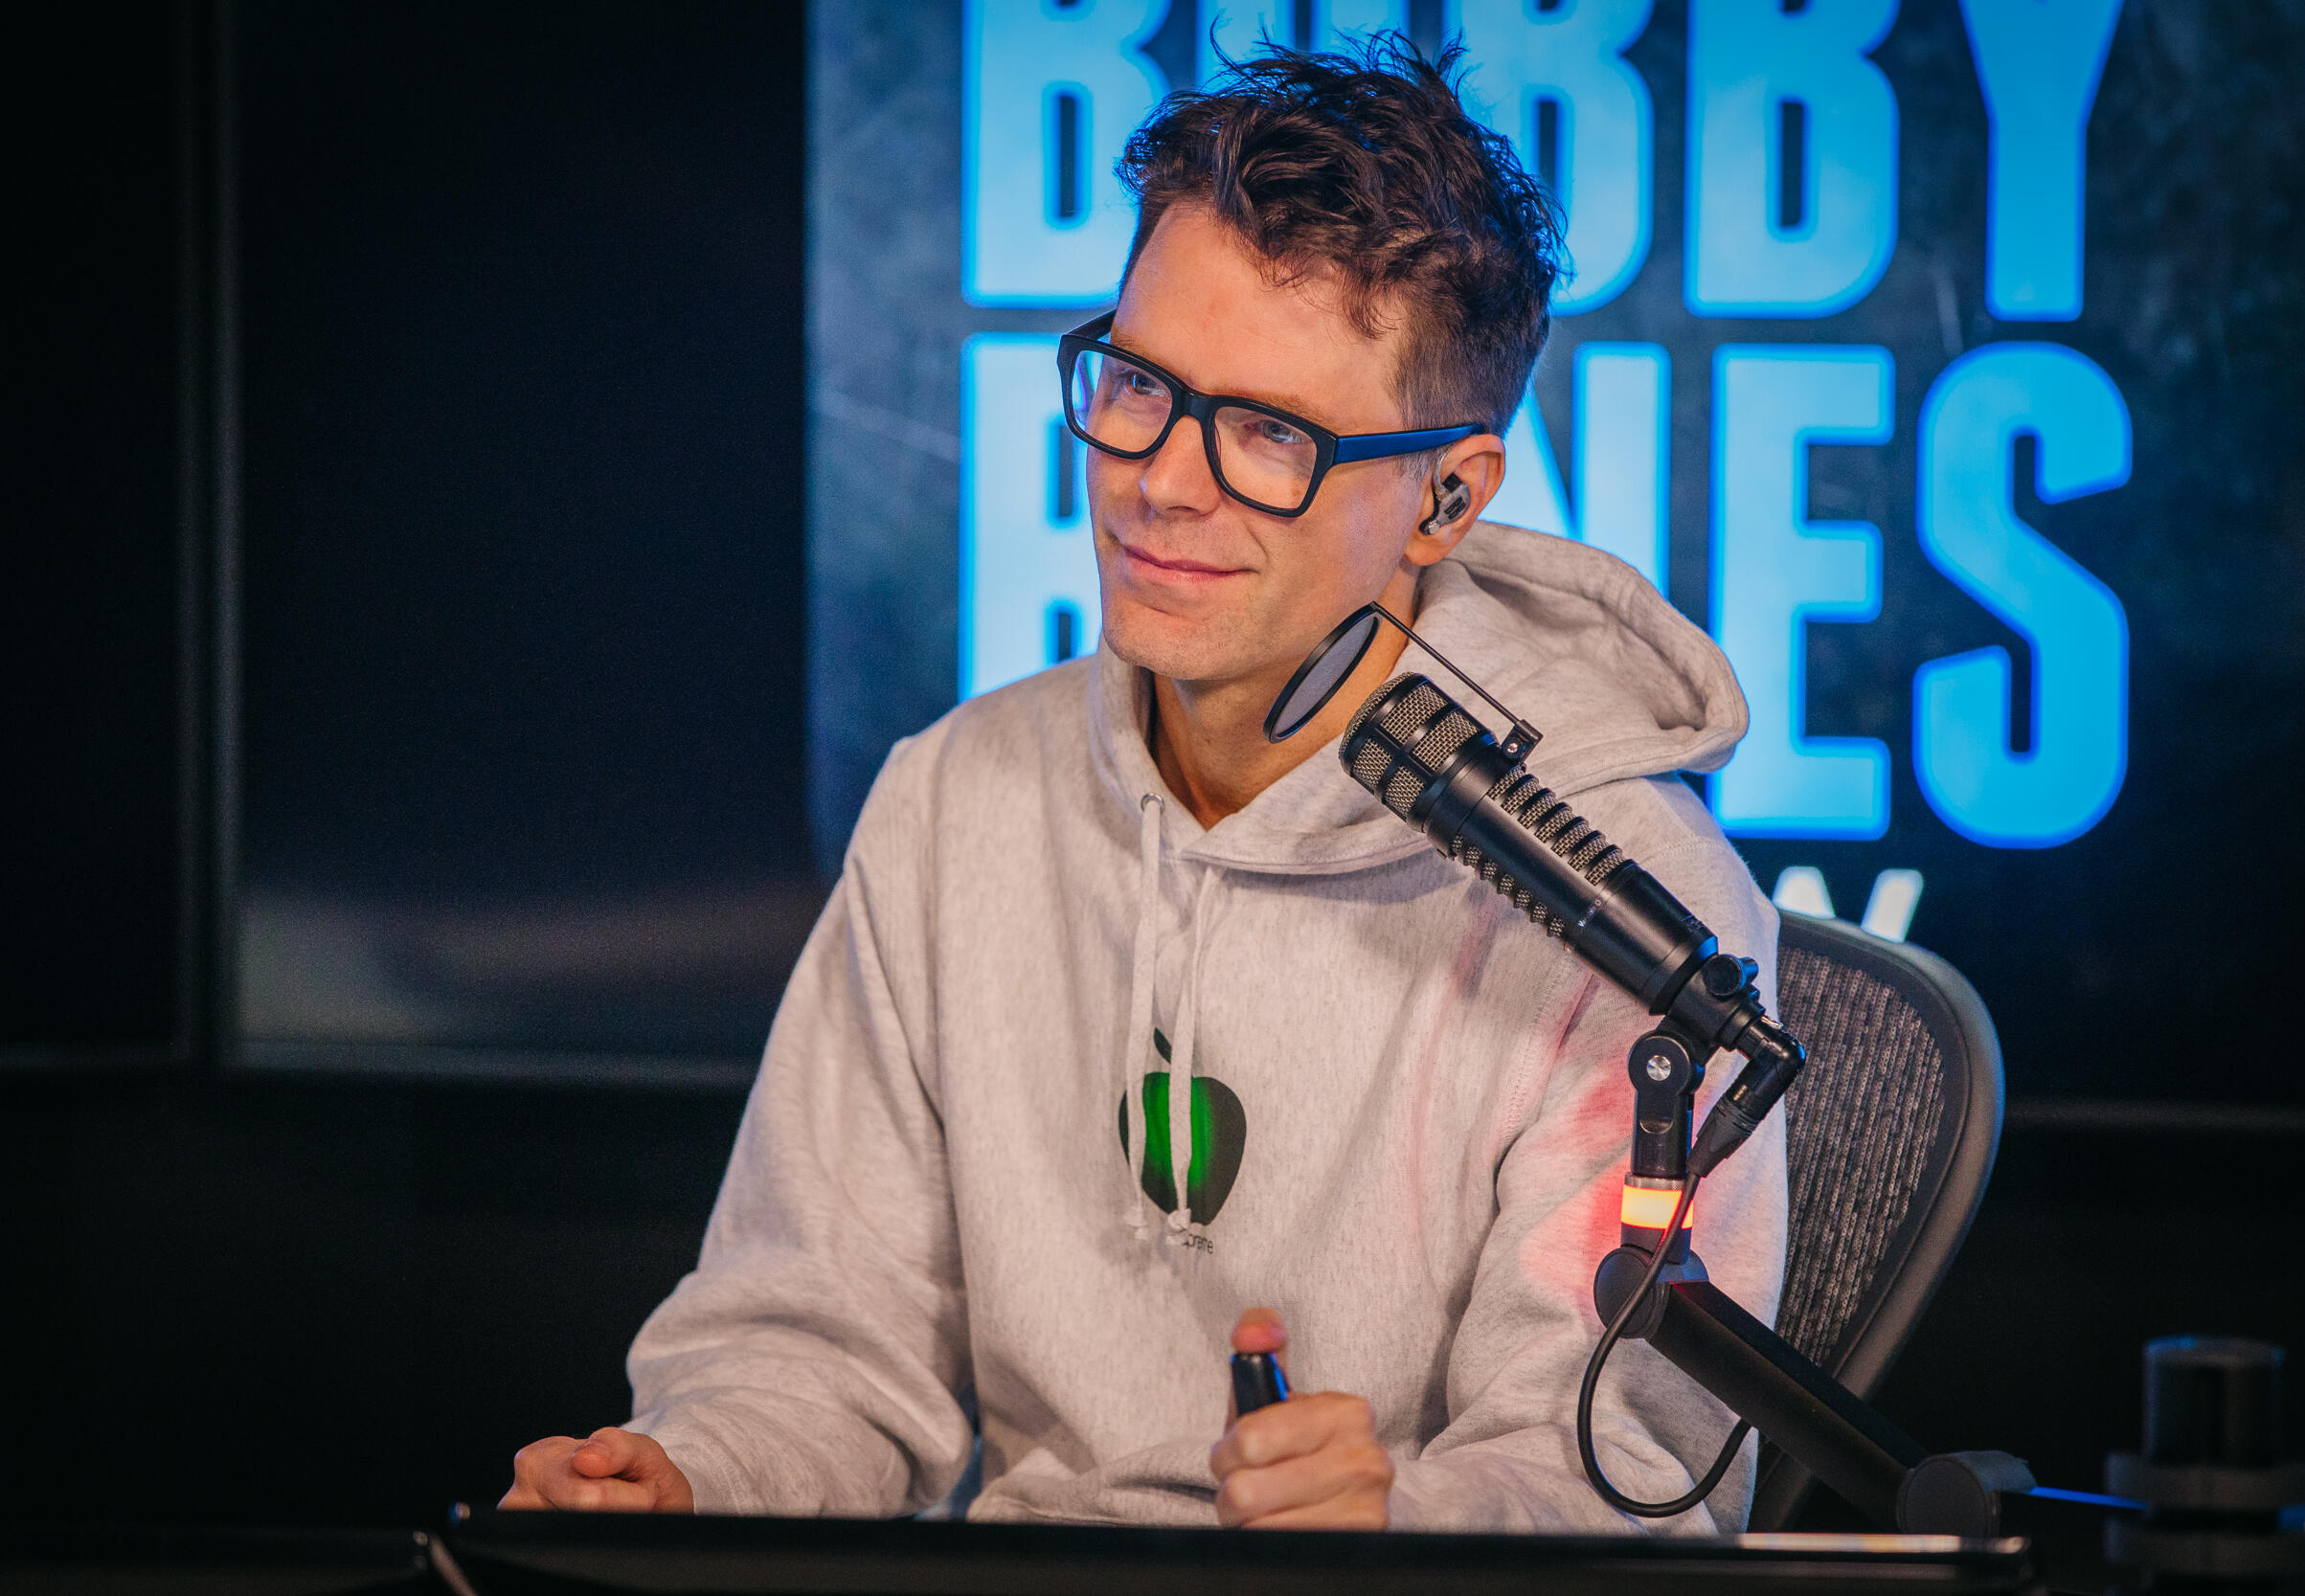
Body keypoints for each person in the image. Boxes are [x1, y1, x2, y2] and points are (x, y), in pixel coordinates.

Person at [504, 38, 1784, 1533]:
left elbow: (1625, 1470)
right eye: (1137, 384)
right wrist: (694, 1480)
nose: (1160, 481)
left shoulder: (1631, 908)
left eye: (1269, 433)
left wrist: (1401, 1525)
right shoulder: (955, 803)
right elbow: (820, 1347)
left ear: (1446, 497)